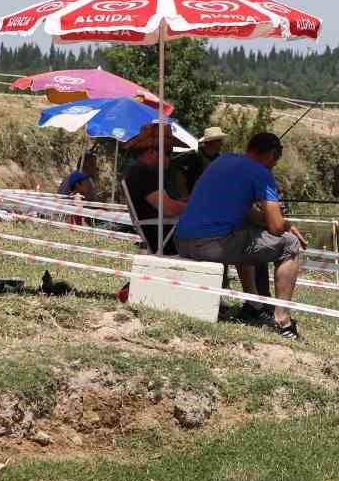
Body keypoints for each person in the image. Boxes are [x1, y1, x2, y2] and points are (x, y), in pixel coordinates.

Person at [175, 132, 305, 339]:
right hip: (211, 246)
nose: (273, 166)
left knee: (245, 235)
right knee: (290, 243)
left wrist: (268, 221)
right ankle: (283, 321)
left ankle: (253, 305)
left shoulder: (221, 161)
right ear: (272, 154)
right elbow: (276, 226)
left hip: (181, 241)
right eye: (275, 160)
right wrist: (288, 225)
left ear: (249, 147)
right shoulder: (262, 173)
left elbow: (246, 213)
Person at [124, 124, 186, 254]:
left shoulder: (138, 170)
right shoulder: (145, 173)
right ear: (151, 151)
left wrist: (183, 202)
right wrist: (194, 206)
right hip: (167, 240)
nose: (170, 159)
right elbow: (169, 209)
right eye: (168, 153)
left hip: (163, 235)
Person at [175, 126, 226, 194]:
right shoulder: (194, 157)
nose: (221, 143)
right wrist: (185, 195)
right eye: (219, 141)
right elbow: (181, 175)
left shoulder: (219, 159)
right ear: (211, 142)